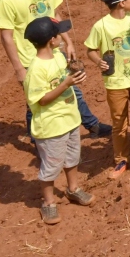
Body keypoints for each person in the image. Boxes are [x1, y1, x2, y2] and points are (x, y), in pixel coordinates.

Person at [0, 0, 110, 140]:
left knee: (71, 89)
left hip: (54, 52)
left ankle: (91, 125)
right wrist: (19, 69)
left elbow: (56, 16)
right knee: (36, 101)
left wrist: (68, 41)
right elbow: (6, 36)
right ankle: (38, 136)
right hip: (30, 60)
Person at [24, 17, 95, 225]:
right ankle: (48, 202)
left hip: (70, 120)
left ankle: (73, 189)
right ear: (51, 40)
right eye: (58, 35)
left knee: (72, 158)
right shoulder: (36, 70)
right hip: (51, 127)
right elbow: (41, 100)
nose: (62, 39)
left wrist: (76, 72)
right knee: (51, 166)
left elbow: (67, 75)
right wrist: (65, 84)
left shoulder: (57, 56)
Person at [85, 0, 130, 180]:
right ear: (122, 3)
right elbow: (90, 50)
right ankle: (122, 158)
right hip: (115, 83)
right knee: (119, 122)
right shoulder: (101, 26)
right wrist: (98, 62)